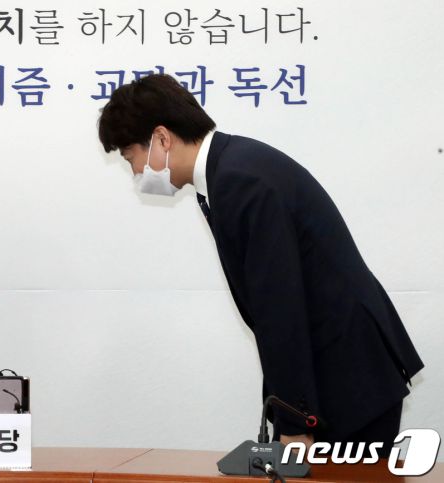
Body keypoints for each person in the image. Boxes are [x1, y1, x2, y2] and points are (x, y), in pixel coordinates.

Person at [97, 74, 423, 456]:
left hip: (349, 378)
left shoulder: (240, 181)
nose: (136, 172)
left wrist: (295, 422)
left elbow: (279, 309)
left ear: (162, 138)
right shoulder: (231, 168)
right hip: (338, 372)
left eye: (130, 158)